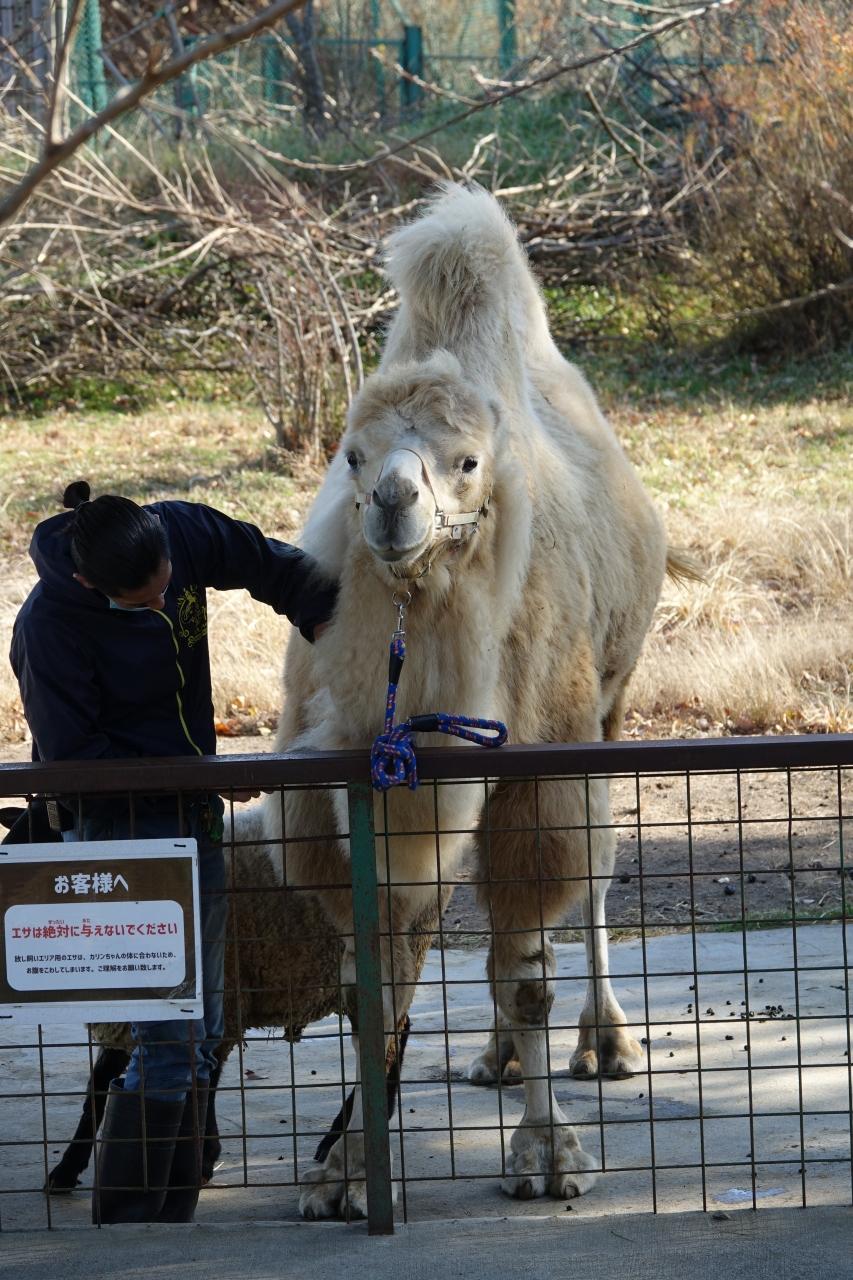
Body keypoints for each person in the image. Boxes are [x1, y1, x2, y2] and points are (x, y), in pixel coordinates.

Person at [10, 480, 337, 1225]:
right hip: (118, 831)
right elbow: (74, 760)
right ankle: (134, 1220)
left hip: (194, 812)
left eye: (169, 589)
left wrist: (330, 626)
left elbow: (272, 565)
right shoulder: (48, 626)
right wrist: (191, 777)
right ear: (90, 584)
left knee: (204, 1025)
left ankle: (171, 1209)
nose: (163, 604)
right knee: (167, 1034)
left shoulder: (182, 531)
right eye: (142, 602)